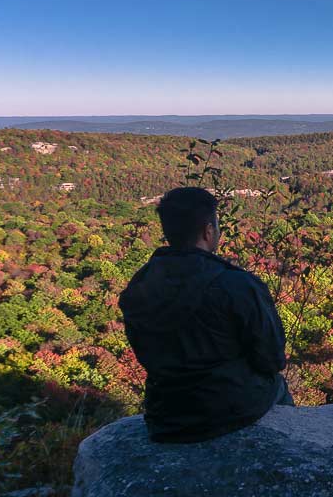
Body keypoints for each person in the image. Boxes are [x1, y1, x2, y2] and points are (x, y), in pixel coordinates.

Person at [119, 186, 294, 443]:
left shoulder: (139, 285)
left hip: (165, 414)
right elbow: (272, 359)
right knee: (278, 387)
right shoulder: (237, 285)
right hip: (228, 409)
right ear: (208, 231)